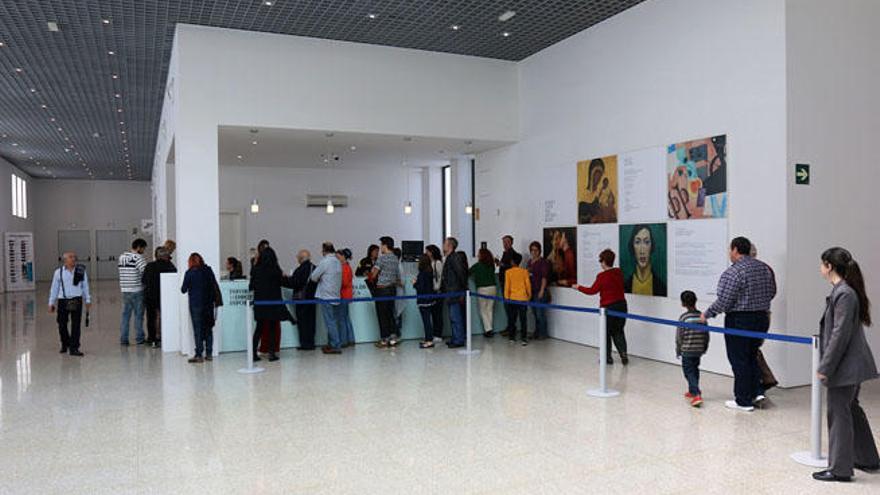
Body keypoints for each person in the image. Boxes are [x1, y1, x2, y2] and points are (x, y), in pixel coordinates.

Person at [812, 247, 879, 483]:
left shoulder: (845, 294)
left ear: (829, 266)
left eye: (822, 264)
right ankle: (868, 458)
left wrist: (825, 366)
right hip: (851, 364)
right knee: (851, 409)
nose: (820, 268)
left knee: (838, 413)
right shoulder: (843, 292)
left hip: (845, 366)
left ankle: (840, 469)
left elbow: (840, 335)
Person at [701, 236, 776, 412]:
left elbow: (724, 301)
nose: (730, 253)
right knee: (752, 356)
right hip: (762, 318)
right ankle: (754, 393)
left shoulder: (733, 272)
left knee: (739, 359)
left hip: (740, 320)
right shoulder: (764, 268)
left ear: (735, 250)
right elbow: (771, 292)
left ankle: (743, 400)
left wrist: (707, 314)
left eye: (730, 250)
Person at [573, 249, 629, 365]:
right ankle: (623, 355)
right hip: (622, 305)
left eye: (601, 261)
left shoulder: (602, 276)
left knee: (606, 333)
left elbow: (592, 291)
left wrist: (578, 287)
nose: (600, 263)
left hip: (608, 308)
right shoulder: (619, 272)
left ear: (604, 261)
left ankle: (607, 358)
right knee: (619, 331)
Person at [249, 246, 292, 362]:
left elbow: (251, 286)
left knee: (259, 329)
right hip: (273, 303)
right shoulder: (275, 270)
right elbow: (284, 282)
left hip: (260, 303)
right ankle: (272, 353)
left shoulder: (256, 269)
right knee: (273, 328)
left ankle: (253, 353)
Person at [181, 253, 222, 363]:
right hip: (208, 304)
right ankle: (209, 354)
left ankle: (199, 354)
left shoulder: (189, 273)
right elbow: (213, 284)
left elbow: (183, 289)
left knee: (198, 329)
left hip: (195, 305)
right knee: (208, 328)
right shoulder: (208, 270)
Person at [48, 251, 91, 356]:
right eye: (70, 257)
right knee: (62, 324)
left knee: (76, 325)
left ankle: (74, 347)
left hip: (77, 299)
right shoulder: (58, 272)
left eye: (74, 257)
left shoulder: (81, 271)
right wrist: (51, 302)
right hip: (63, 300)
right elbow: (54, 288)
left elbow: (85, 286)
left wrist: (88, 299)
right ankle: (65, 343)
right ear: (65, 260)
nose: (73, 259)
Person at [676, 291, 709, 408]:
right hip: (698, 350)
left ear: (683, 303)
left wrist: (678, 349)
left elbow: (679, 336)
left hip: (687, 350)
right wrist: (704, 347)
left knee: (688, 372)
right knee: (695, 369)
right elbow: (706, 334)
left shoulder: (683, 317)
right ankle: (692, 390)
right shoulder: (702, 316)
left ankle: (696, 394)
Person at [311, 242, 343, 355]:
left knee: (330, 322)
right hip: (336, 295)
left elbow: (313, 277)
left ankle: (335, 345)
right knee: (334, 321)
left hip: (326, 296)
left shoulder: (325, 262)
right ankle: (332, 343)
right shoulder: (338, 262)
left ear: (324, 251)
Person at [142, 247, 177, 348]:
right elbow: (174, 279)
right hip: (165, 296)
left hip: (150, 296)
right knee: (166, 317)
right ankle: (167, 337)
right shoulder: (170, 266)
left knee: (151, 318)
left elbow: (144, 280)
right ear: (166, 256)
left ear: (156, 255)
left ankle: (152, 339)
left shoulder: (149, 266)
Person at [371, 236, 401, 348]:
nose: (380, 248)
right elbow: (397, 277)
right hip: (392, 289)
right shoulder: (395, 258)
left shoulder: (382, 258)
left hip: (382, 289)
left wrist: (372, 272)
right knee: (390, 314)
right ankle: (393, 338)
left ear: (385, 245)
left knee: (382, 315)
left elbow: (373, 275)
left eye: (381, 245)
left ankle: (384, 339)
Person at [118, 238, 148, 345]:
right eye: (143, 248)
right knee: (138, 316)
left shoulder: (122, 257)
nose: (144, 251)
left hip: (125, 290)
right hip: (137, 290)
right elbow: (145, 273)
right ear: (139, 247)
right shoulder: (139, 258)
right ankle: (139, 338)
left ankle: (123, 339)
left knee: (125, 316)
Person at [623, 225, 666, 296]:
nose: (642, 250)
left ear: (652, 246)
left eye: (646, 242)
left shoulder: (661, 287)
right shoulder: (626, 286)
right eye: (637, 242)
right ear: (632, 246)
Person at [441, 237, 468, 348]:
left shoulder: (454, 258)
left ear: (450, 246)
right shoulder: (449, 258)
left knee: (456, 317)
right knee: (453, 317)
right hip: (451, 291)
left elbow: (461, 274)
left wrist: (463, 290)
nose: (443, 245)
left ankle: (458, 340)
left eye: (445, 243)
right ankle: (455, 337)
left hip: (455, 292)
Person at [290, 250, 318, 351]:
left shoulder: (300, 270)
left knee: (302, 322)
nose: (297, 259)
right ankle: (311, 343)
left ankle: (305, 344)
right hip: (312, 298)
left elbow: (294, 283)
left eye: (298, 257)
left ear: (301, 258)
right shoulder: (314, 268)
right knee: (311, 321)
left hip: (302, 299)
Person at [504, 252, 531, 346]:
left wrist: (506, 298)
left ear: (512, 262)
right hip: (523, 298)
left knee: (512, 319)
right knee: (523, 319)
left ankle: (512, 337)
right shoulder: (524, 271)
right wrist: (529, 296)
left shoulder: (508, 272)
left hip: (512, 299)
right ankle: (524, 338)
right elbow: (528, 285)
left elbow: (507, 286)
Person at [469, 248, 497, 338]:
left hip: (482, 289)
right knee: (489, 309)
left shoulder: (477, 266)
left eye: (478, 254)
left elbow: (468, 272)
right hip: (493, 288)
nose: (477, 255)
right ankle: (490, 329)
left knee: (483, 310)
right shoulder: (491, 265)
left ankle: (488, 330)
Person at [527, 241, 550, 340]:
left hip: (539, 291)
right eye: (532, 250)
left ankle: (543, 333)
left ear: (539, 251)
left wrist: (541, 291)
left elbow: (544, 278)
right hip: (531, 291)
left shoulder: (543, 262)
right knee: (535, 313)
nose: (534, 252)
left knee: (540, 313)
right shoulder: (529, 262)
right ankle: (536, 332)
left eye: (536, 250)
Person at [414, 254, 436, 349]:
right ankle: (428, 338)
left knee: (426, 321)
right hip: (429, 299)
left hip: (423, 300)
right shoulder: (429, 272)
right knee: (428, 320)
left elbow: (421, 288)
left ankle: (429, 341)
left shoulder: (422, 273)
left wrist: (415, 284)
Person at [426, 244, 445, 343]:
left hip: (437, 291)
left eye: (428, 251)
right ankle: (435, 333)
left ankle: (438, 334)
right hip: (432, 291)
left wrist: (437, 287)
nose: (426, 253)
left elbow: (440, 276)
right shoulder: (430, 262)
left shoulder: (437, 263)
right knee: (434, 313)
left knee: (437, 313)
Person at [337, 248, 355, 348]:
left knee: (342, 319)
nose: (337, 257)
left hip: (343, 295)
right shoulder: (347, 266)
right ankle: (350, 339)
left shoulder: (343, 268)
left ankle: (343, 340)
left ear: (343, 257)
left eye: (339, 256)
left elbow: (343, 283)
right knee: (346, 318)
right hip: (347, 295)